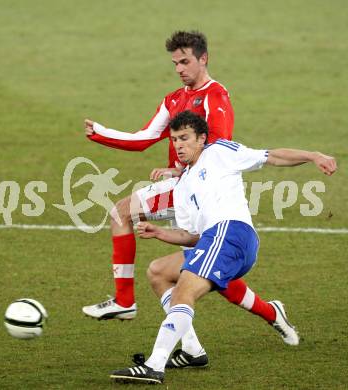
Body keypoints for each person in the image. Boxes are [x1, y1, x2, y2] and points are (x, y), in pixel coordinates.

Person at [110, 111, 337, 384]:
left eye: (184, 138)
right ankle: (193, 350)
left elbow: (271, 156)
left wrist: (313, 155)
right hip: (215, 239)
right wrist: (160, 232)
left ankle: (154, 365)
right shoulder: (182, 186)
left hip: (232, 233)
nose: (178, 145)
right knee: (159, 272)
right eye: (174, 140)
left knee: (184, 292)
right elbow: (192, 236)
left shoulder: (218, 151)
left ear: (202, 138)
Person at [82, 32, 280, 334]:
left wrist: (179, 172)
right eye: (175, 63)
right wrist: (100, 132)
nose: (179, 69)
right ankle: (263, 315)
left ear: (204, 59)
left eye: (185, 61)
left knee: (123, 214)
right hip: (183, 187)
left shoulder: (216, 96)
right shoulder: (174, 99)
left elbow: (219, 146)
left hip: (197, 190)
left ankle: (124, 301)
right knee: (208, 269)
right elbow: (144, 138)